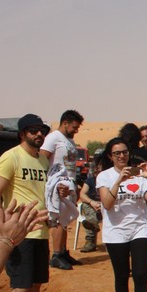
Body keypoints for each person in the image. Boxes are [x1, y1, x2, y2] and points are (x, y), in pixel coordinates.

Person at [0, 114, 60, 292]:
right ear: (22, 133)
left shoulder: (43, 160)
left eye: (42, 131)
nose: (39, 134)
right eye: (33, 130)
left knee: (36, 284)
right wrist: (1, 226)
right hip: (19, 234)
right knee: (20, 286)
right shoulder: (11, 157)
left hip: (40, 230)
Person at [97, 138, 147, 292]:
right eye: (117, 153)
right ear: (110, 156)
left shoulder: (139, 175)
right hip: (116, 232)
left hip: (140, 229)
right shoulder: (104, 176)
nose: (122, 156)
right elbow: (107, 204)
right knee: (122, 275)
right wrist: (118, 181)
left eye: (124, 152)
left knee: (140, 273)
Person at [41, 109, 83, 270]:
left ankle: (64, 252)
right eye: (74, 127)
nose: (76, 130)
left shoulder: (69, 140)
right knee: (57, 219)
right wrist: (50, 182)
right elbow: (42, 159)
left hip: (69, 183)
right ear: (65, 123)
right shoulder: (53, 138)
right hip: (57, 184)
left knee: (65, 219)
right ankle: (56, 255)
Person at [78, 157, 104, 253]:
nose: (98, 174)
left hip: (106, 206)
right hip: (93, 206)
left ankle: (93, 226)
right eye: (96, 172)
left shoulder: (110, 180)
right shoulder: (89, 181)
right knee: (86, 205)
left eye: (100, 171)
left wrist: (103, 204)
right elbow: (82, 194)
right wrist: (92, 202)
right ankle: (90, 241)